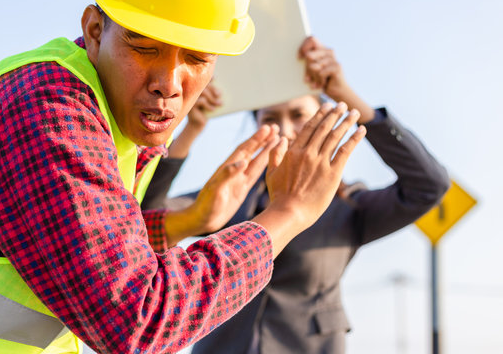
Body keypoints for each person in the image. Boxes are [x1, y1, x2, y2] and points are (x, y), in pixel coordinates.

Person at [0, 0, 366, 354]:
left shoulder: (117, 115)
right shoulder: (50, 112)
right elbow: (137, 320)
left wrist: (188, 222)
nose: (168, 84)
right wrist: (287, 215)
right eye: (144, 48)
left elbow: (81, 243)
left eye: (197, 59)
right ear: (94, 30)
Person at [143, 36, 450, 354]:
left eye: (300, 115)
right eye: (271, 119)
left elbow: (429, 185)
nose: (287, 130)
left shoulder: (348, 206)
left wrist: (344, 95)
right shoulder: (229, 193)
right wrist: (190, 127)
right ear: (257, 127)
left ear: (326, 119)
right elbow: (147, 218)